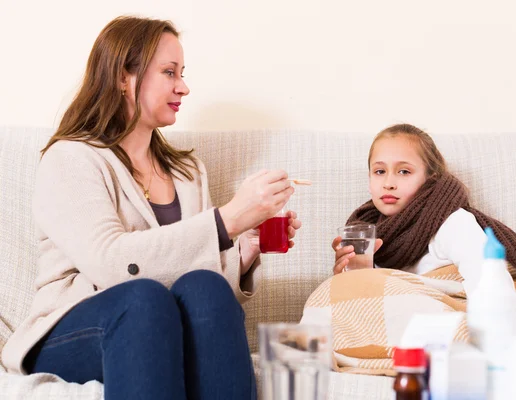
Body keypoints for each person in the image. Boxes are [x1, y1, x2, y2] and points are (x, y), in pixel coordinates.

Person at [1, 16, 302, 400]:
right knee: (143, 299)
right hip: (74, 328)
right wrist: (225, 221)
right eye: (169, 72)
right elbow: (110, 264)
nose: (184, 87)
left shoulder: (188, 171)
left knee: (206, 286)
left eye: (182, 73)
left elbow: (197, 284)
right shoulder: (71, 159)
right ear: (122, 78)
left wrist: (243, 250)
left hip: (159, 323)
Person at [331, 123, 516, 303]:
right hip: (406, 316)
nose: (389, 183)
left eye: (404, 171)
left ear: (431, 179)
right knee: (325, 297)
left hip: (454, 311)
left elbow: (488, 285)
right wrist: (352, 274)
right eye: (379, 171)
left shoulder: (451, 223)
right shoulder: (368, 229)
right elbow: (372, 299)